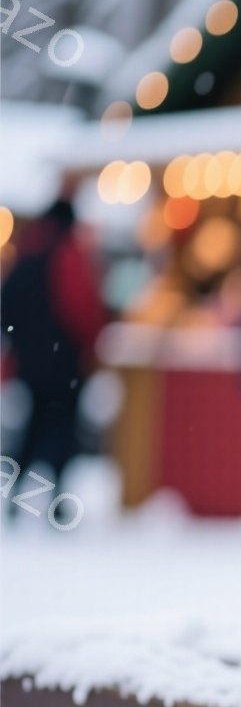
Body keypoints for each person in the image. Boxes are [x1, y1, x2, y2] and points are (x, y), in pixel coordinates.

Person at [0, 198, 107, 505]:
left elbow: (7, 305)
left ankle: (18, 495)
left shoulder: (27, 251)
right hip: (64, 362)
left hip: (32, 363)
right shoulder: (68, 254)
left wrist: (22, 343)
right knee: (61, 430)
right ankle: (56, 499)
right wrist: (90, 343)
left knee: (33, 427)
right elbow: (81, 308)